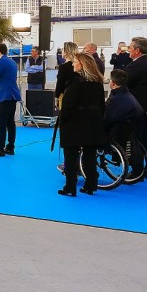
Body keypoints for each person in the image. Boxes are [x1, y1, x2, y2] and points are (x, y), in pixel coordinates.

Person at [57, 53, 106, 197]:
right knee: (90, 155)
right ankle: (91, 184)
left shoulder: (76, 82)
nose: (73, 64)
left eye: (75, 62)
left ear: (82, 64)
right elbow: (102, 105)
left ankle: (70, 187)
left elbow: (68, 104)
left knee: (71, 156)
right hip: (92, 123)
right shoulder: (97, 82)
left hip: (74, 123)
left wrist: (63, 119)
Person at [123, 36, 147, 180]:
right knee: (145, 138)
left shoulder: (137, 66)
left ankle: (137, 170)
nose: (128, 50)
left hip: (138, 109)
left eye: (130, 48)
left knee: (135, 139)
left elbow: (123, 82)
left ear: (137, 50)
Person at [104, 69, 147, 182]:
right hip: (132, 127)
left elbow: (107, 119)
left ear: (113, 83)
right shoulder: (127, 95)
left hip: (120, 131)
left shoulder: (116, 99)